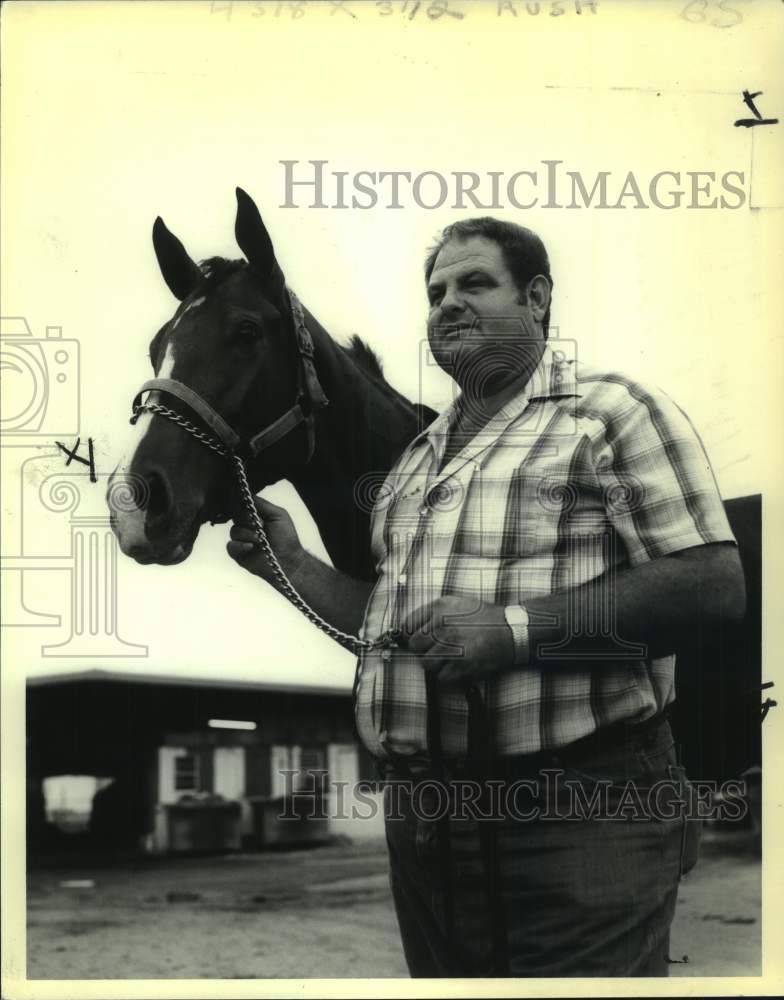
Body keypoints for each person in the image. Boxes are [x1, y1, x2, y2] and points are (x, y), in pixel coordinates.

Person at [227, 217, 746, 977]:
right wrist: (291, 563)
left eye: (474, 283)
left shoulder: (609, 412)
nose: (447, 304)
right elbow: (391, 636)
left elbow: (712, 587)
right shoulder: (415, 463)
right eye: (435, 292)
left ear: (536, 299)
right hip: (429, 828)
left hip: (579, 815)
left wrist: (513, 632)